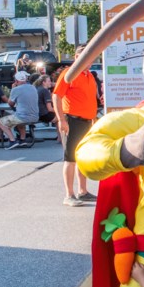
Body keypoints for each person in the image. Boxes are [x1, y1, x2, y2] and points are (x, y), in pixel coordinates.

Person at [53, 45, 99, 206]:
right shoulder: (69, 74)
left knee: (82, 158)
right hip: (72, 120)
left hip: (86, 121)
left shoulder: (89, 75)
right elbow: (57, 96)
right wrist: (61, 120)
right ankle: (69, 195)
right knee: (70, 158)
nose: (89, 60)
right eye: (86, 56)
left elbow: (90, 98)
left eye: (91, 57)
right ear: (77, 57)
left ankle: (83, 191)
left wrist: (93, 119)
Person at [0, 71, 38, 150]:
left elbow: (10, 104)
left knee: (0, 122)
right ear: (26, 79)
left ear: (16, 81)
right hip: (35, 116)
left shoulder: (16, 89)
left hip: (23, 117)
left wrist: (13, 89)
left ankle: (12, 140)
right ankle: (22, 140)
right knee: (20, 119)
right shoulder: (33, 87)